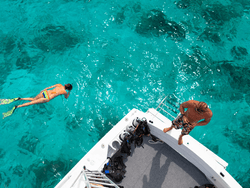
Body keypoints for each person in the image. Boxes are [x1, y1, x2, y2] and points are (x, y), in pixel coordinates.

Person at [2, 84, 72, 119]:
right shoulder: (64, 91)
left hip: (45, 92)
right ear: (68, 89)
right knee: (31, 103)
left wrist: (44, 90)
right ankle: (16, 107)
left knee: (33, 99)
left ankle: (20, 98)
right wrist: (69, 92)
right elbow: (66, 97)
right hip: (47, 97)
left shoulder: (59, 84)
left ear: (65, 84)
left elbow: (49, 87)